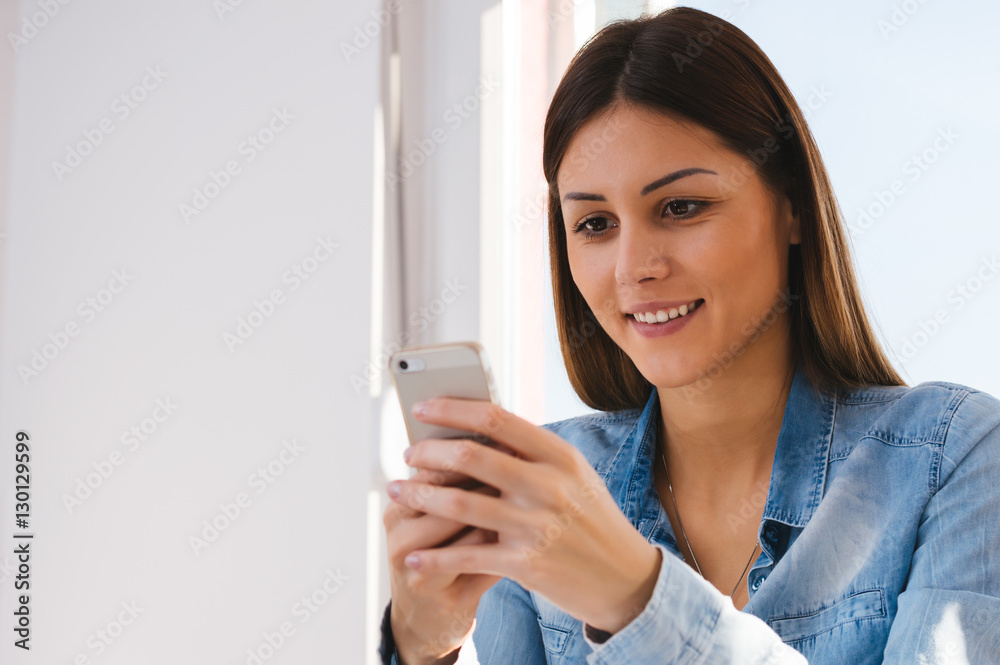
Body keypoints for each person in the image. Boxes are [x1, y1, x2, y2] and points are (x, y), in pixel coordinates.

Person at [378, 6, 1000, 664]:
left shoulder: (950, 458)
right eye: (594, 223)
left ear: (790, 207)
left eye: (680, 207)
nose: (634, 268)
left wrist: (636, 596)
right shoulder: (543, 492)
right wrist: (425, 646)